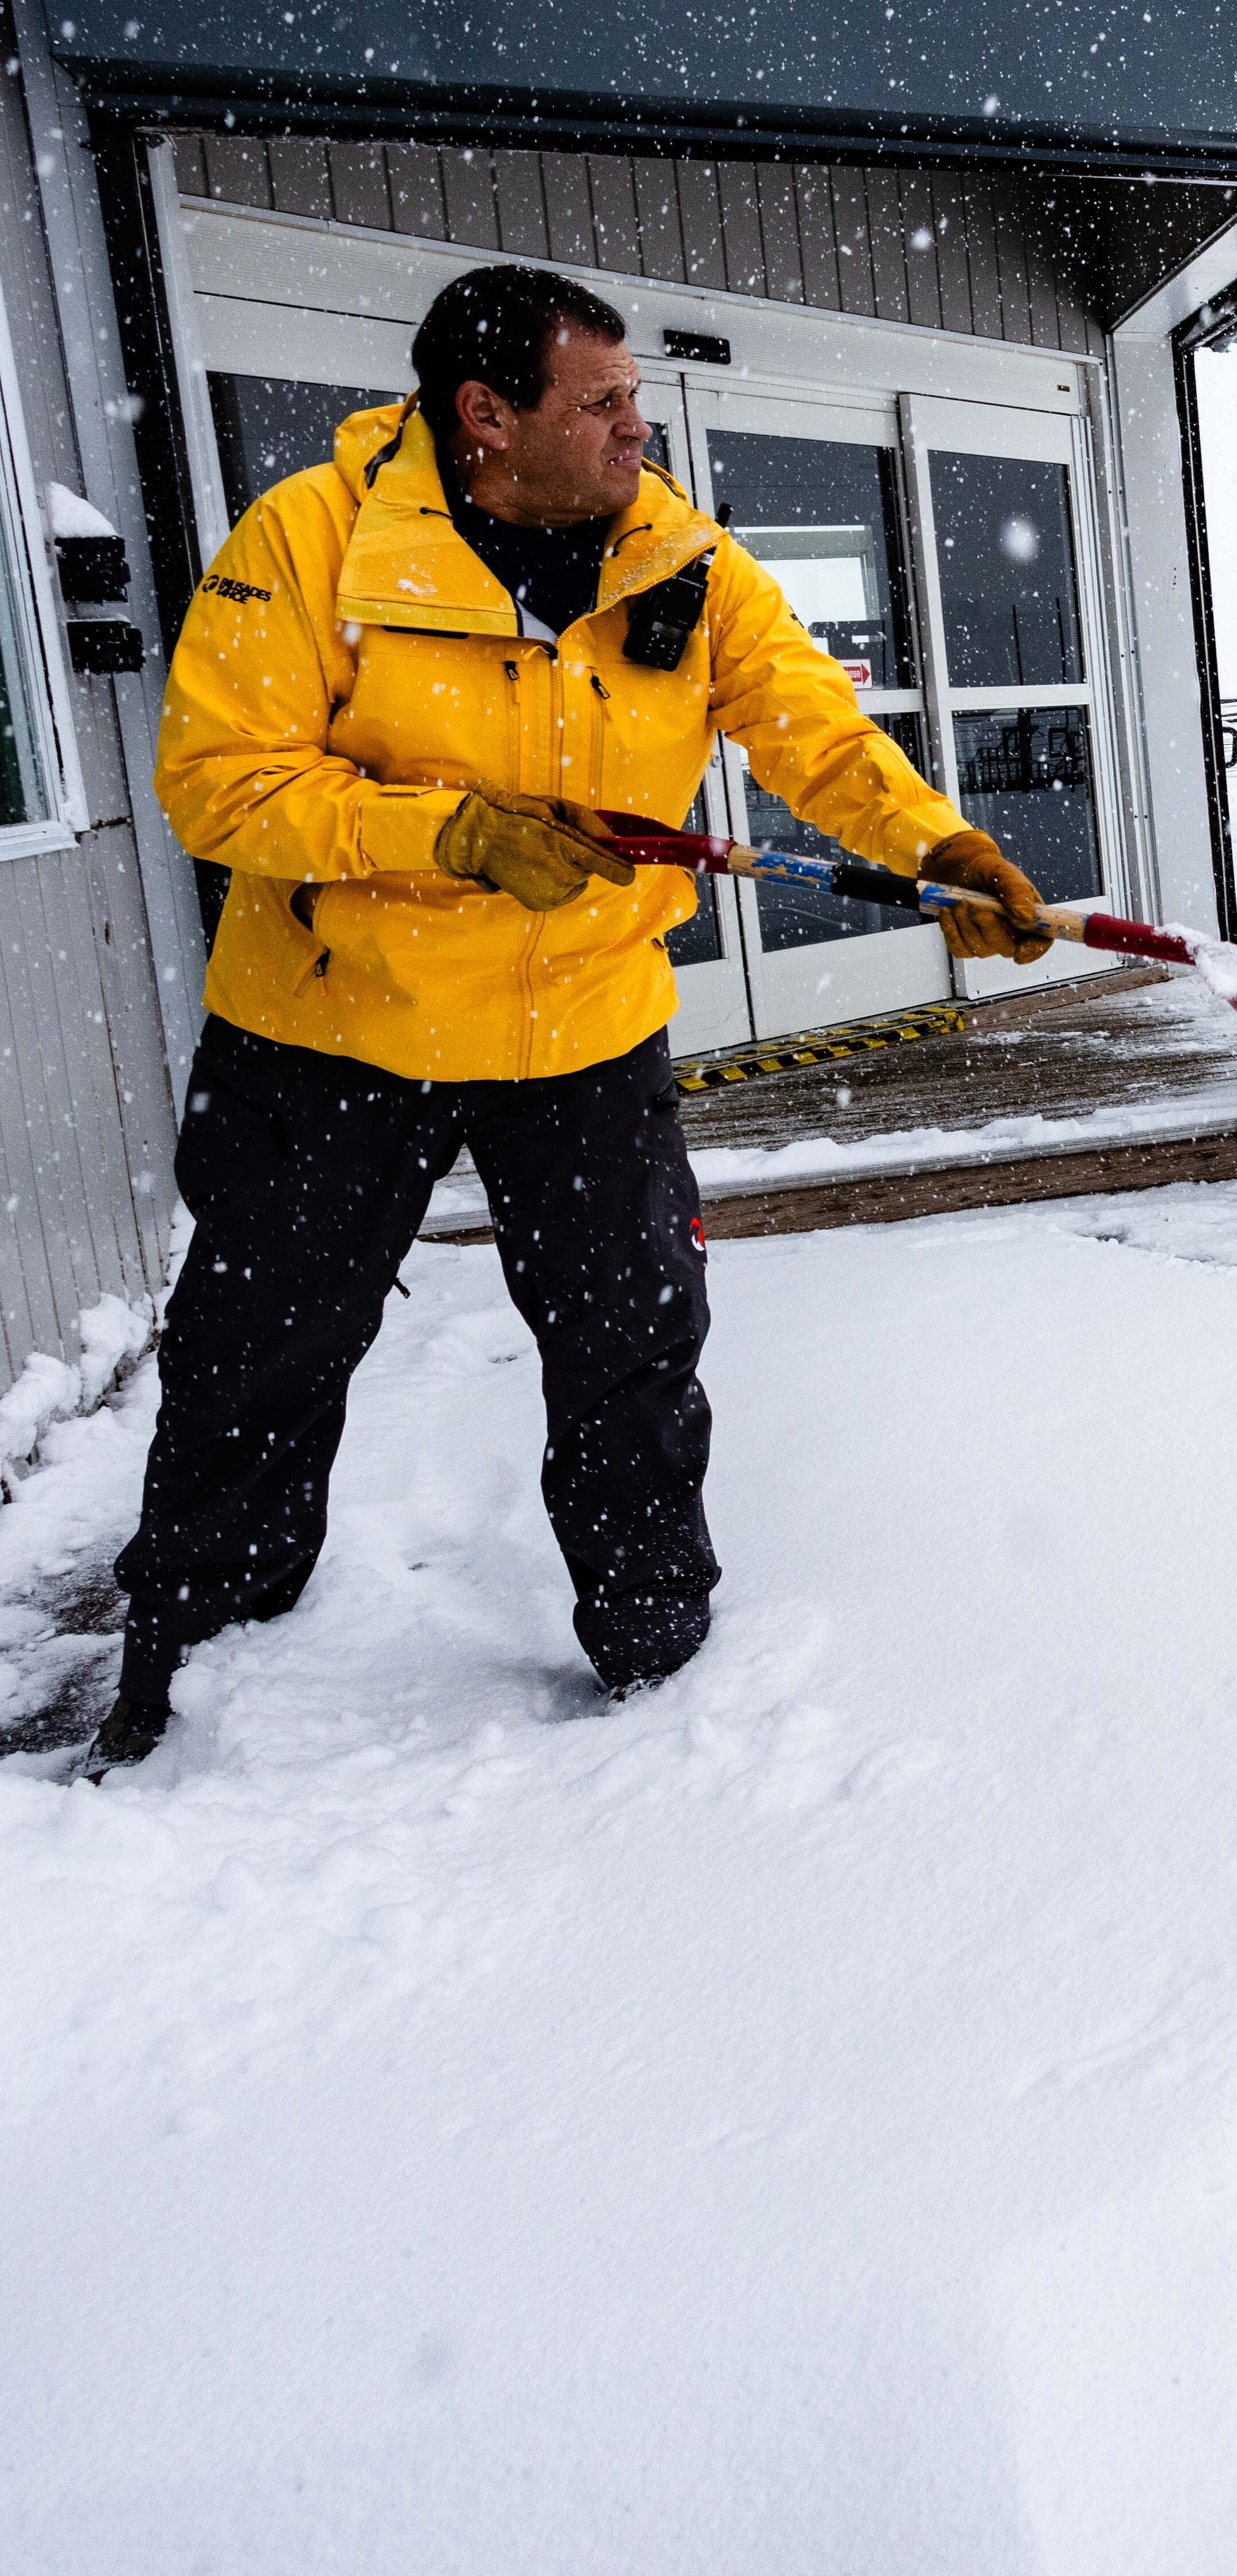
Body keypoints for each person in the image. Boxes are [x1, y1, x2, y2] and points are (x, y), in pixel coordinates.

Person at [83, 264, 1053, 1776]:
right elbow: (219, 781)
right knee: (259, 1348)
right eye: (599, 399)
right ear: (486, 416)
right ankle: (202, 1658)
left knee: (631, 1342)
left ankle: (655, 1646)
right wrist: (452, 834)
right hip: (339, 1025)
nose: (633, 425)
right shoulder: (312, 539)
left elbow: (813, 724)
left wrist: (934, 846)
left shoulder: (674, 548)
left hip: (584, 1023)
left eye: (632, 394)